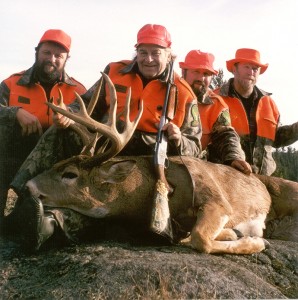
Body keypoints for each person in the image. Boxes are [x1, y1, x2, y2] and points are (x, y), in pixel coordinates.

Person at [6, 24, 202, 251]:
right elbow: (86, 103)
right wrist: (68, 116)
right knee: (60, 130)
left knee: (111, 206)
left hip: (147, 162)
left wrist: (178, 138)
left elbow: (195, 148)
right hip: (103, 148)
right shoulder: (114, 71)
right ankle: (24, 197)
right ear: (136, 51)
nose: (148, 59)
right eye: (143, 52)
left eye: (156, 53)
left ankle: (51, 223)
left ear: (169, 54)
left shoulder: (184, 93)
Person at [0, 29, 87, 226]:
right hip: (16, 153)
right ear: (37, 52)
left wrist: (71, 119)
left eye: (58, 55)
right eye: (46, 53)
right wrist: (15, 112)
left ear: (66, 59)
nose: (52, 59)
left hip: (56, 160)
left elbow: (90, 121)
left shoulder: (78, 91)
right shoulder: (12, 83)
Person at [214, 48, 298, 175]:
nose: (251, 72)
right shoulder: (216, 98)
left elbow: (277, 138)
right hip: (225, 177)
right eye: (246, 67)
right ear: (234, 69)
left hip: (263, 180)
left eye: (255, 69)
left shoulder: (269, 103)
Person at [179, 50, 251, 174]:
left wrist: (234, 156)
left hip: (194, 166)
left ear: (212, 77)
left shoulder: (217, 105)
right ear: (183, 71)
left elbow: (226, 135)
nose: (201, 78)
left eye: (206, 74)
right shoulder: (166, 93)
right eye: (196, 71)